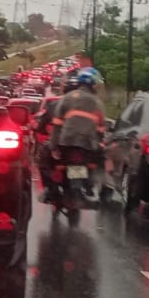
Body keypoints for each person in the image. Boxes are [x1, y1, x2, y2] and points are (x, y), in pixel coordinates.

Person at [51, 67, 108, 200]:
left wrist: (54, 146)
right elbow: (101, 129)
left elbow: (57, 124)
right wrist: (100, 143)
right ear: (93, 84)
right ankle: (104, 193)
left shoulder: (67, 98)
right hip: (88, 145)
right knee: (103, 161)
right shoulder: (97, 103)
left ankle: (52, 189)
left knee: (50, 162)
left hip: (66, 143)